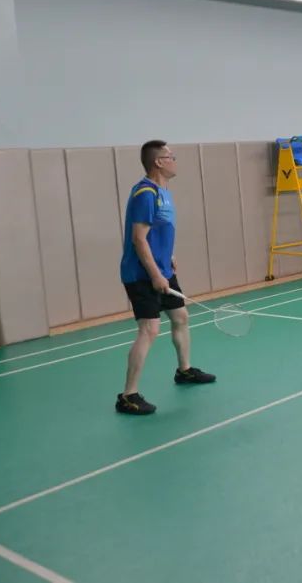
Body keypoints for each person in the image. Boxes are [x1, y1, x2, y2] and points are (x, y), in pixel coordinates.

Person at [116, 140, 215, 415]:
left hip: (162, 269)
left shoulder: (164, 192)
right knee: (149, 329)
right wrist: (156, 274)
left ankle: (184, 371)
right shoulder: (145, 193)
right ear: (158, 162)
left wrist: (168, 256)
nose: (175, 160)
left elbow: (159, 230)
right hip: (141, 274)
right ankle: (128, 395)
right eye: (171, 156)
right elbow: (138, 239)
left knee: (180, 316)